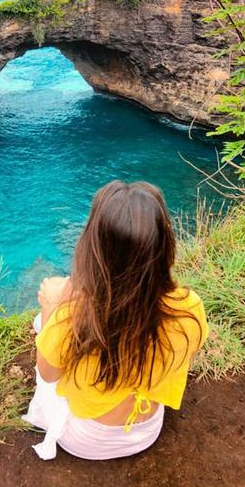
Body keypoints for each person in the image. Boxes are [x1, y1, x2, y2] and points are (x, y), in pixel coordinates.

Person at [23, 180, 208, 460]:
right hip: (147, 428)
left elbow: (48, 376)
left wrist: (52, 307)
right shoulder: (188, 308)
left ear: (93, 245)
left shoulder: (72, 317)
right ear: (163, 245)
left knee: (41, 326)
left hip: (85, 440)